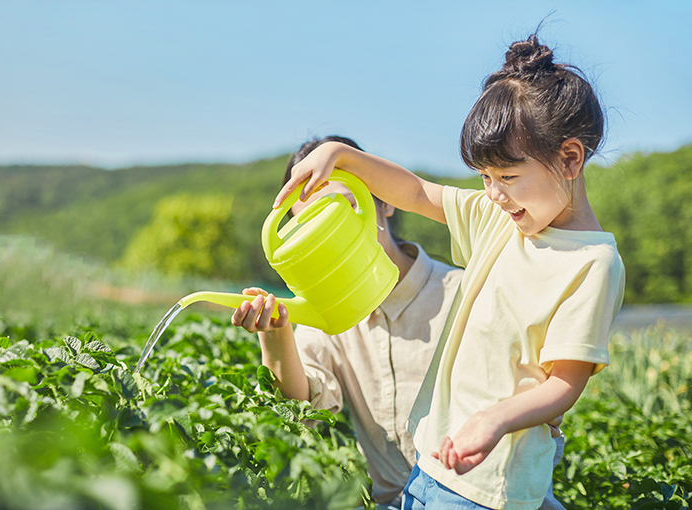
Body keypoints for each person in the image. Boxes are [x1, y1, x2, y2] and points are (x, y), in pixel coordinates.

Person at [274, 34, 625, 510]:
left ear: (569, 158)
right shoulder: (501, 220)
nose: (494, 194)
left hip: (486, 482)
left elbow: (565, 382)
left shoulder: (592, 263)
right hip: (434, 467)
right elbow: (417, 193)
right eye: (484, 178)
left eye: (507, 177)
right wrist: (341, 154)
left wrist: (495, 419)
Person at [233, 136, 565, 509]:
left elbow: (545, 393)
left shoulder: (465, 292)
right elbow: (301, 408)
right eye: (308, 222)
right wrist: (276, 335)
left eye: (338, 207)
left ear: (385, 200)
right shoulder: (328, 313)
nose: (328, 233)